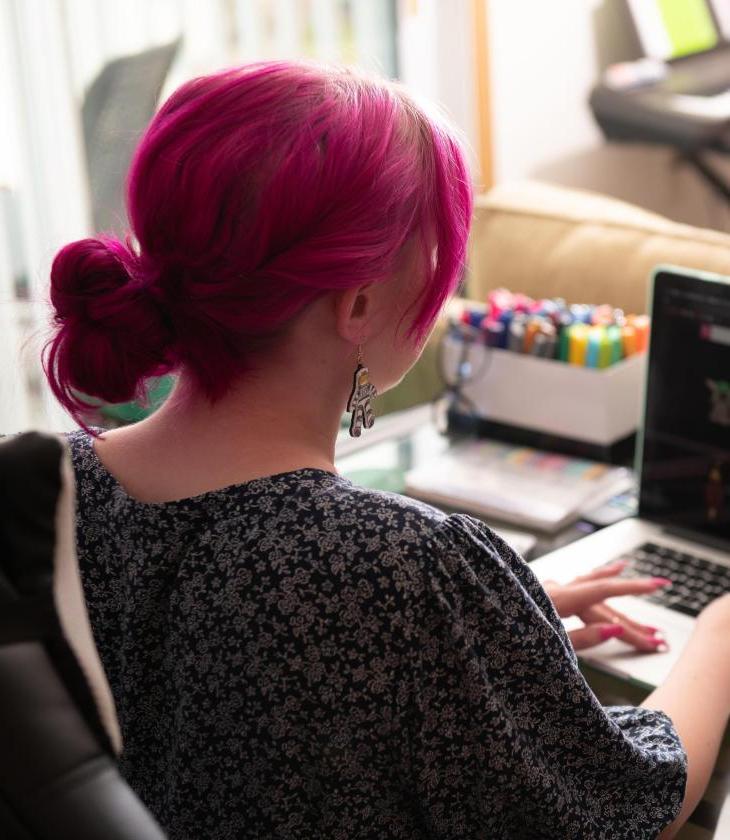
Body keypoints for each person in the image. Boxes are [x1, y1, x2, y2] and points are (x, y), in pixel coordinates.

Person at [43, 60, 730, 839]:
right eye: (437, 257)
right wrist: (718, 637)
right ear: (361, 302)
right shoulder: (403, 571)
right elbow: (628, 808)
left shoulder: (43, 493)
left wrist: (492, 628)